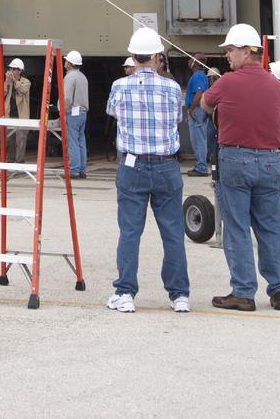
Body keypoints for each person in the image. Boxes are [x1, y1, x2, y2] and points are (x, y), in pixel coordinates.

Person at [198, 23, 280, 311]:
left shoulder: (227, 81)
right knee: (270, 227)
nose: (227, 55)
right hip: (271, 160)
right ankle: (278, 291)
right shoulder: (276, 85)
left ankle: (243, 291)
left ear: (246, 52)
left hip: (236, 159)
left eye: (230, 50)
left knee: (237, 227)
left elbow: (205, 105)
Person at [105, 25, 190, 314]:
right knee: (173, 232)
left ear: (132, 55)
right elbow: (178, 117)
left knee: (130, 231)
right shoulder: (171, 87)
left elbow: (112, 112)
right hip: (167, 166)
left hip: (133, 165)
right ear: (157, 56)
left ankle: (126, 293)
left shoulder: (119, 86)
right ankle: (179, 296)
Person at [63, 50, 88, 179]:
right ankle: (82, 169)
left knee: (72, 142)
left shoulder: (69, 77)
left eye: (66, 61)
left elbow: (66, 98)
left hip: (73, 113)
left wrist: (63, 110)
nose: (65, 62)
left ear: (70, 64)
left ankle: (73, 170)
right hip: (83, 113)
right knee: (81, 141)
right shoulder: (83, 77)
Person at [185, 55, 210, 176]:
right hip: (198, 109)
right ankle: (200, 165)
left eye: (191, 59)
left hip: (197, 109)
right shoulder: (200, 75)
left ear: (195, 62)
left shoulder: (198, 76)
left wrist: (191, 109)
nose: (189, 61)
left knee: (198, 139)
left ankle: (201, 167)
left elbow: (199, 93)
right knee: (198, 138)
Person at [3, 57, 31, 163]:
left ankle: (20, 161)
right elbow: (3, 93)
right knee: (10, 139)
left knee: (21, 139)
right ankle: (10, 160)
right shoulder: (9, 82)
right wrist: (7, 81)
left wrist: (14, 81)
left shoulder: (26, 82)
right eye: (10, 69)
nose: (11, 71)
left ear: (19, 70)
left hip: (21, 115)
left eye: (13, 69)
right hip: (10, 113)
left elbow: (23, 90)